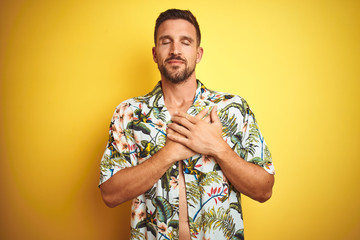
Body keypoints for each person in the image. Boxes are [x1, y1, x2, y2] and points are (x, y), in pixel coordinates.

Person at [99, 9, 275, 240]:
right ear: (154, 53)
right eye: (166, 42)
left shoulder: (232, 108)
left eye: (185, 42)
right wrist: (168, 154)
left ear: (198, 53)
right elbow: (110, 195)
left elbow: (264, 190)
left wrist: (217, 147)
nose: (175, 50)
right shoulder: (129, 113)